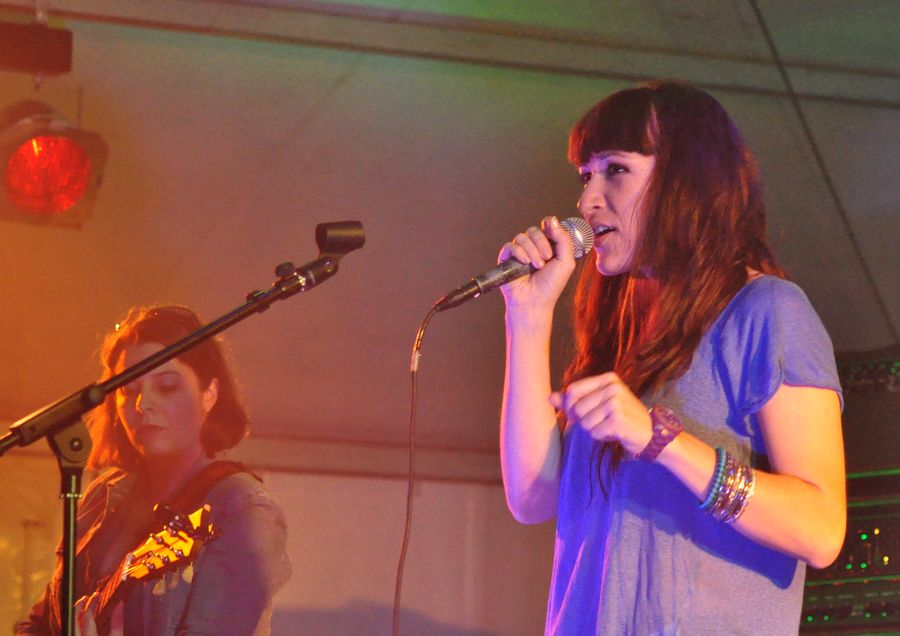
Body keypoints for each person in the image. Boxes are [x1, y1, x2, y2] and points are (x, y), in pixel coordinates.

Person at [498, 82, 845, 635]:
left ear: (686, 180)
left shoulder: (768, 312)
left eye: (615, 170)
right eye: (585, 175)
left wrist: (661, 440)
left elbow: (821, 529)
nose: (587, 201)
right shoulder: (619, 331)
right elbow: (532, 498)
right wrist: (528, 317)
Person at [17, 305, 291, 635]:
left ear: (209, 395)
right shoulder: (103, 495)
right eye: (129, 389)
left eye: (167, 386)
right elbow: (40, 624)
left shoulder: (240, 507)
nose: (142, 404)